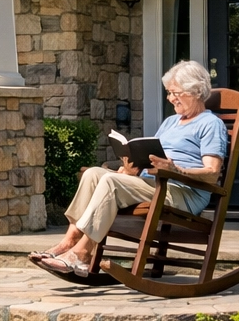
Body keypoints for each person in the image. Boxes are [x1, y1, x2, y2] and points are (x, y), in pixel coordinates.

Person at [34, 60, 228, 278]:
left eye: (175, 93)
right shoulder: (171, 122)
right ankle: (69, 239)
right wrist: (132, 168)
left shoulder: (211, 124)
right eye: (168, 92)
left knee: (110, 182)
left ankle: (82, 253)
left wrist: (176, 169)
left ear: (196, 91)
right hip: (155, 183)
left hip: (183, 192)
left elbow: (212, 173)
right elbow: (154, 158)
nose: (170, 98)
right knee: (93, 174)